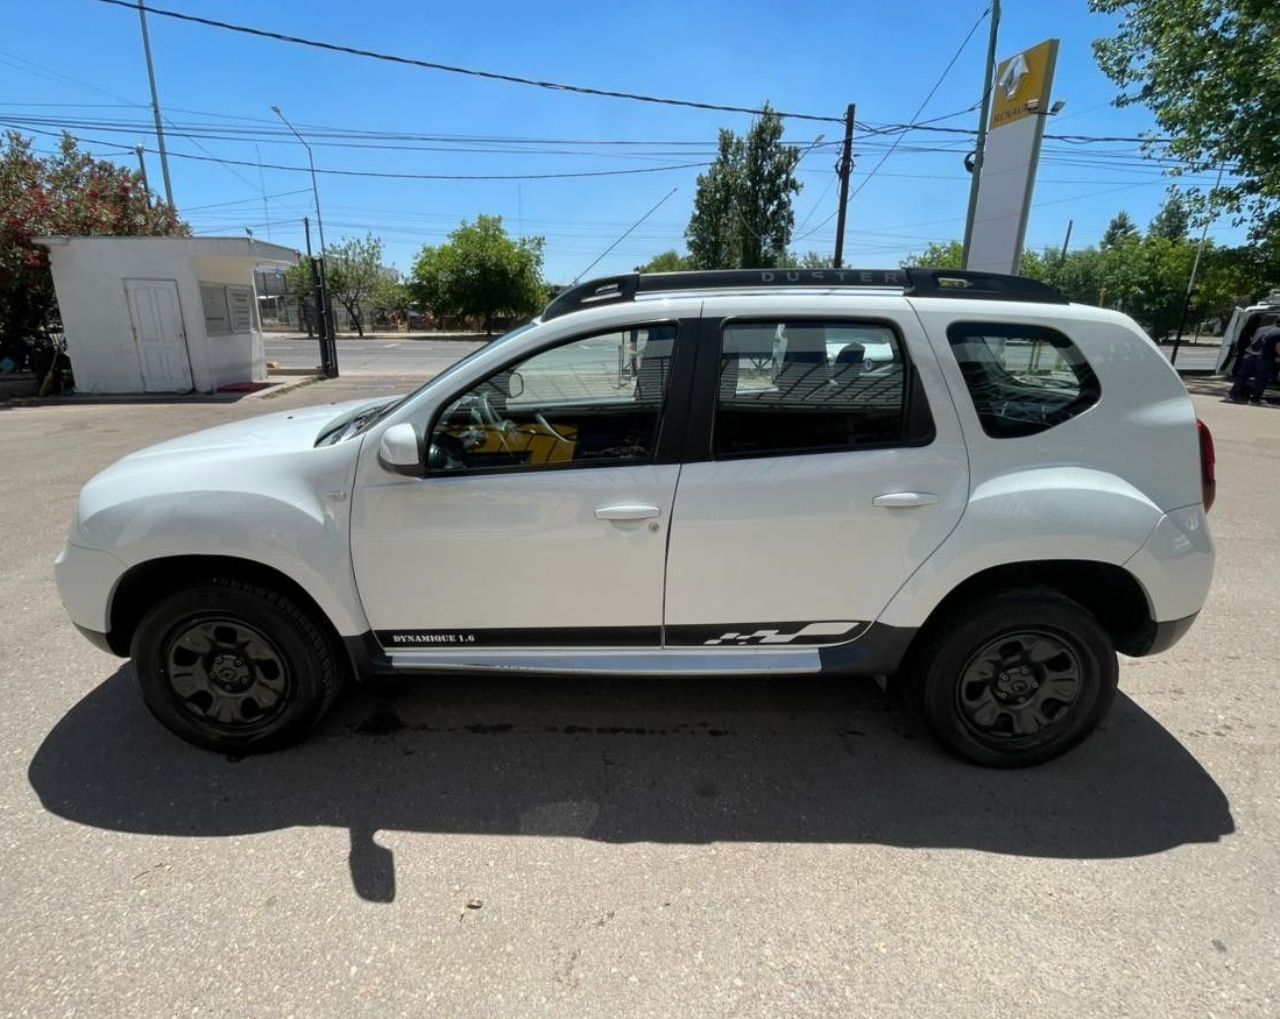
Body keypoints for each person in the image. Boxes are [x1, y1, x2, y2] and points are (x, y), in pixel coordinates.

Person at [1229, 317, 1280, 404]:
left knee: (1242, 377)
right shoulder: (1279, 331)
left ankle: (1234, 395)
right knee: (1261, 379)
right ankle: (1256, 399)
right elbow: (1278, 347)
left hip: (1249, 355)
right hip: (1263, 358)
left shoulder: (1260, 329)